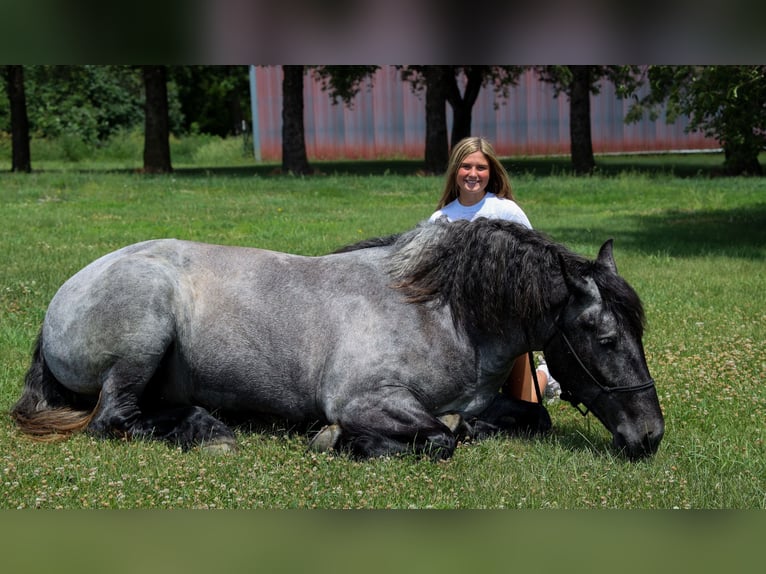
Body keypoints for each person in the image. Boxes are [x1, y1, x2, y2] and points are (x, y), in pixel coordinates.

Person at [429, 136, 560, 404]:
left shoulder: (506, 210)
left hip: (504, 323)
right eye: (466, 166)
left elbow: (534, 262)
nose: (473, 174)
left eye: (481, 167)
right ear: (455, 170)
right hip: (458, 326)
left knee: (526, 406)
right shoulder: (440, 219)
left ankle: (545, 375)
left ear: (491, 172)